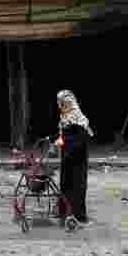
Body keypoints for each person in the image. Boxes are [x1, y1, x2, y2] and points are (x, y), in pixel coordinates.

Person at [54, 89, 93, 224]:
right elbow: (63, 134)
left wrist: (64, 143)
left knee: (77, 186)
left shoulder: (78, 119)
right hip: (67, 158)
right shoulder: (65, 117)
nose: (60, 105)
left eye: (62, 103)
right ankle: (64, 212)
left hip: (77, 159)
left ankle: (78, 215)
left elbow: (80, 141)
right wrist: (58, 140)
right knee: (65, 185)